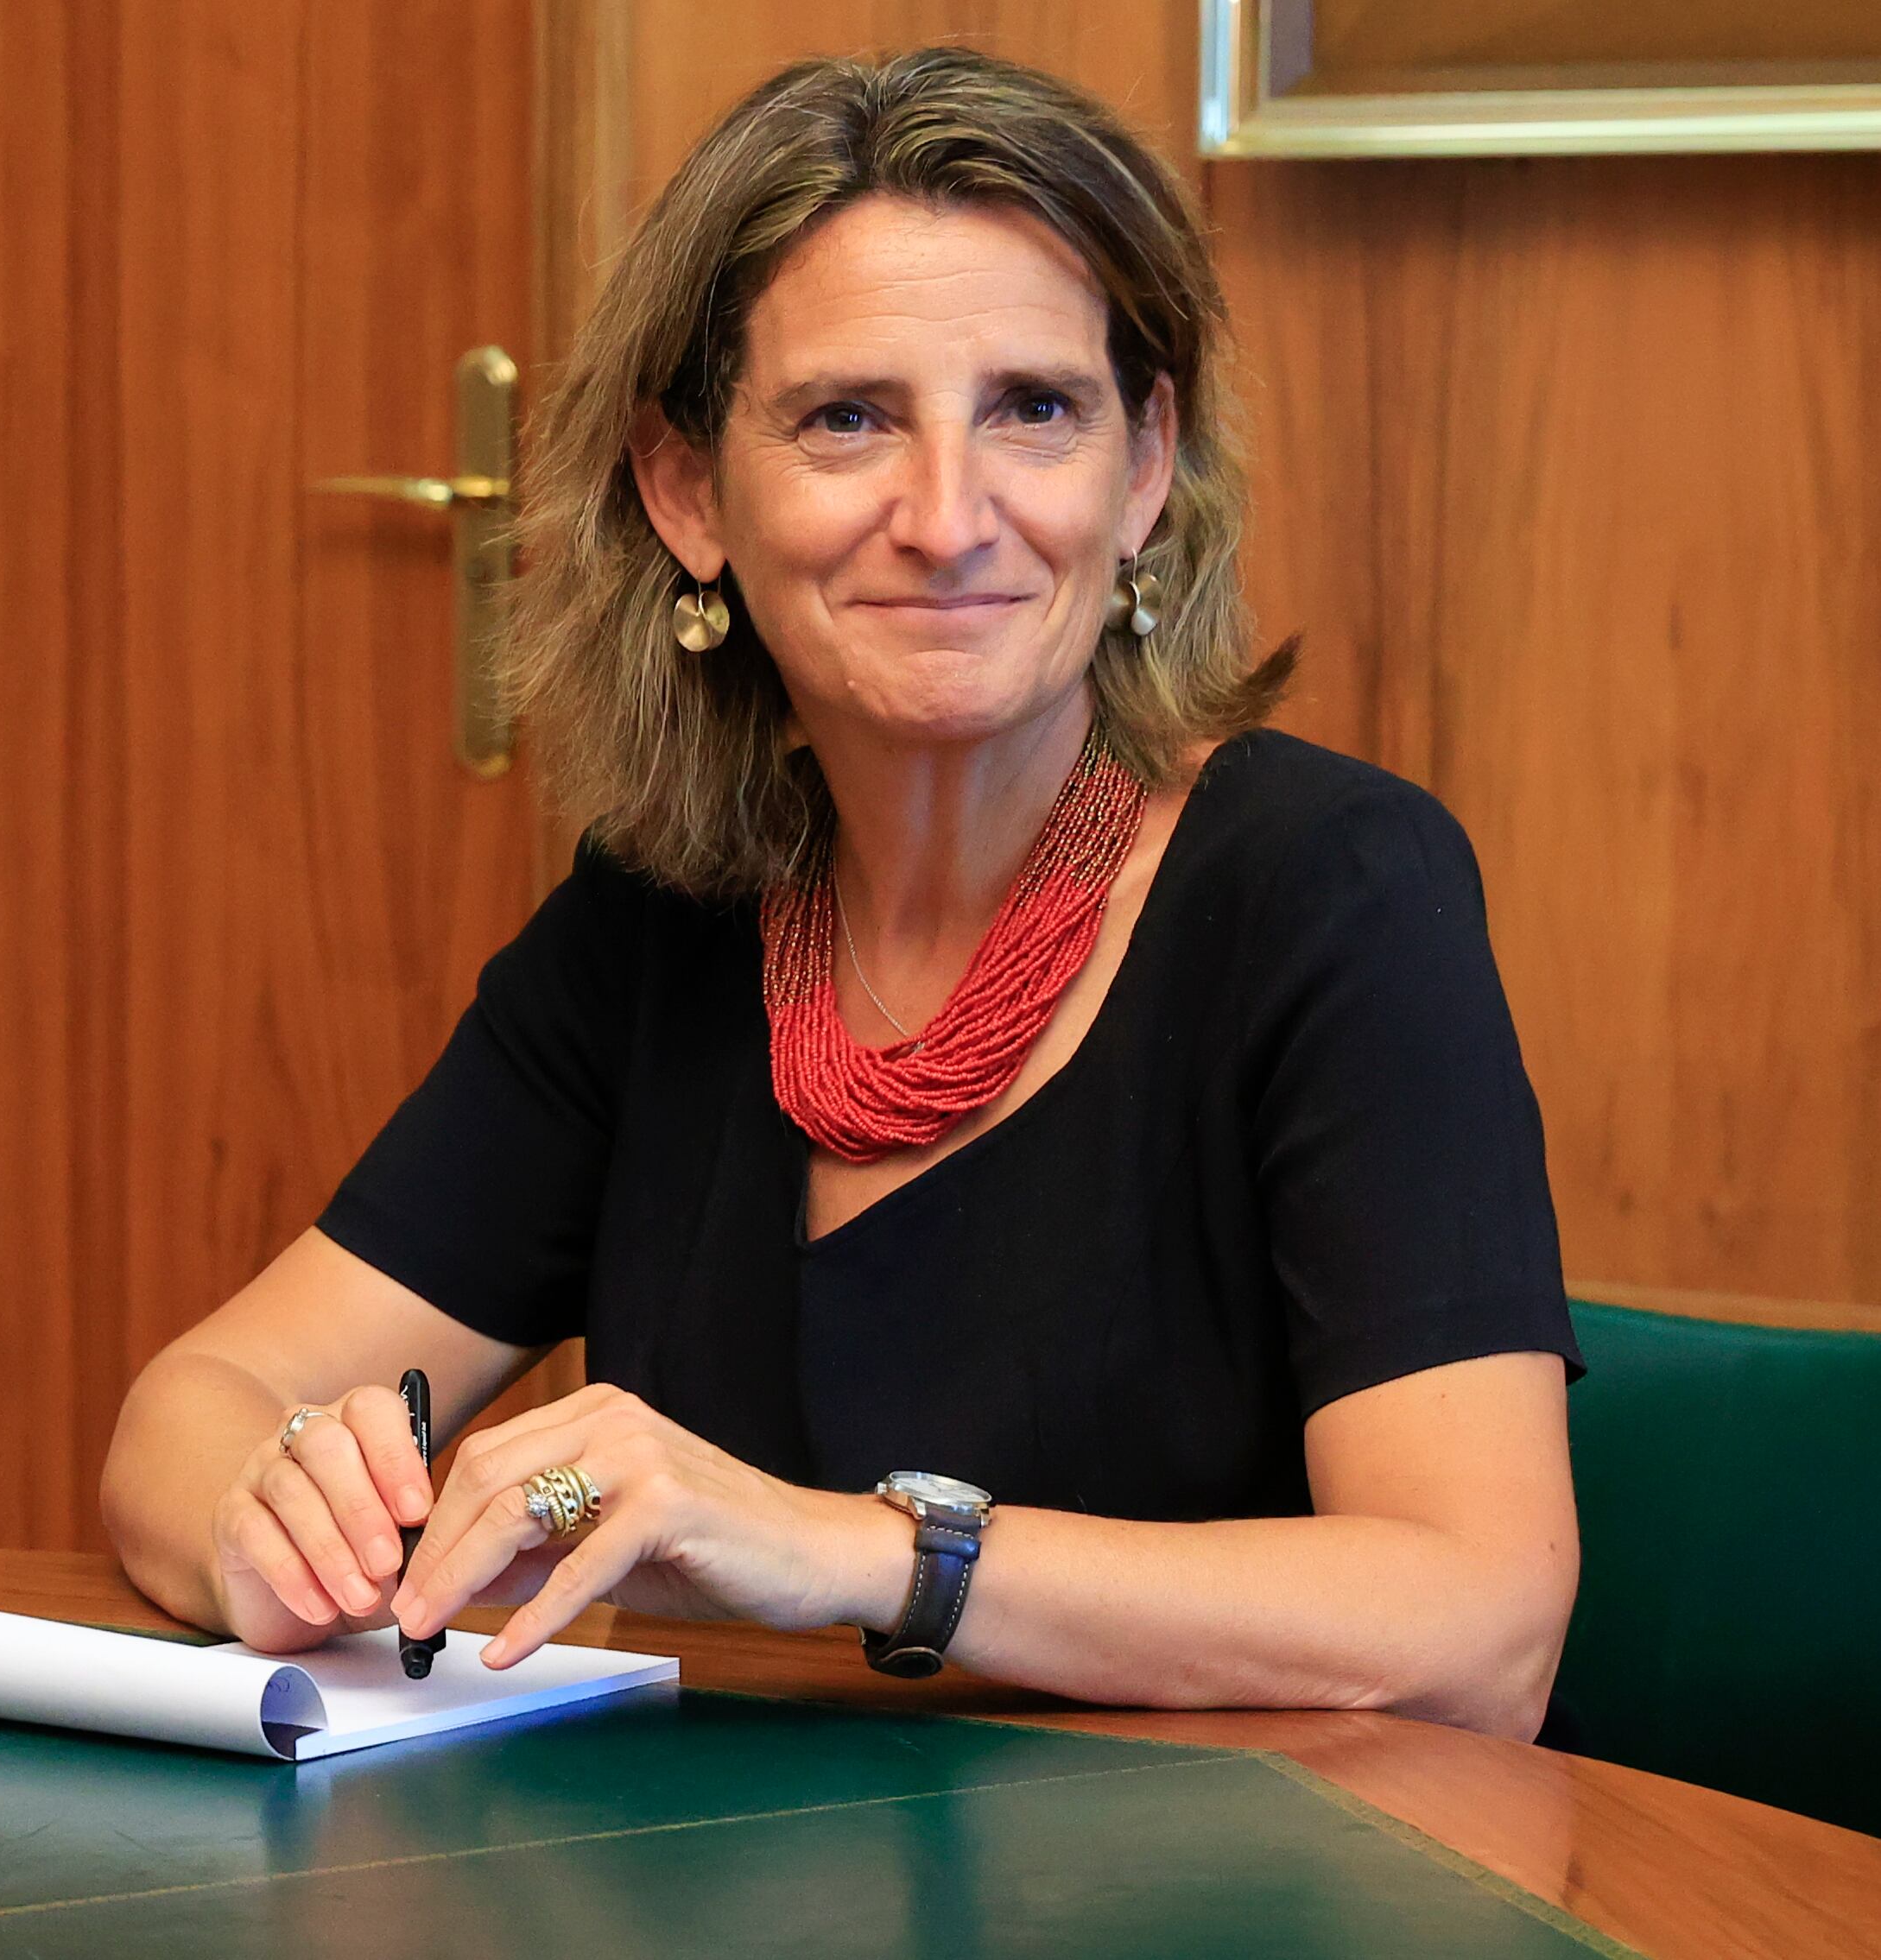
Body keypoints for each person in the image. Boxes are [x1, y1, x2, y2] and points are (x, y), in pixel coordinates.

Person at [101, 47, 1580, 1739]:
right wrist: (274, 1521)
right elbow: (193, 1405)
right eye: (845, 418)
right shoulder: (654, 922)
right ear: (684, 491)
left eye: (1033, 408)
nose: (945, 518)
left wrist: (852, 1551)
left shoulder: (1330, 891)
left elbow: (1476, 1622)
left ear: (1143, 467)